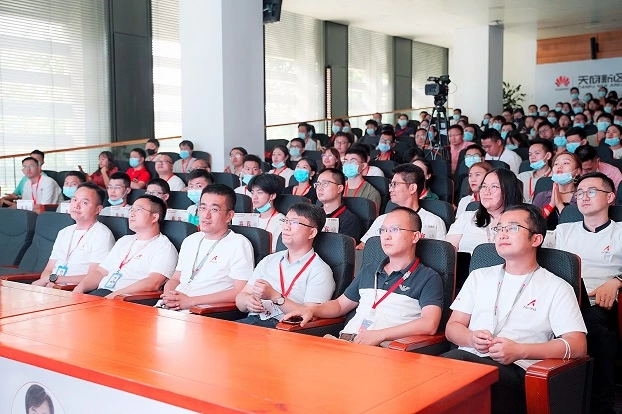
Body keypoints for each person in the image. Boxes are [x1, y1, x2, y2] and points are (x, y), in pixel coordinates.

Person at [443, 203, 587, 414]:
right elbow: (452, 327)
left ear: (536, 239)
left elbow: (577, 345)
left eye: (512, 228)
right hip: (467, 361)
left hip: (517, 373)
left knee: (452, 368)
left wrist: (520, 350)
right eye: (499, 228)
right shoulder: (478, 276)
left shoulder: (556, 286)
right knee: (447, 368)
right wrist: (471, 338)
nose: (502, 234)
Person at [284, 206, 443, 346]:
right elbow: (339, 305)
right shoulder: (369, 270)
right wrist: (311, 310)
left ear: (415, 236)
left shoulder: (428, 277)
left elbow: (429, 324)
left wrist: (381, 335)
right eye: (383, 230)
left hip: (383, 349)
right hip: (345, 342)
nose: (386, 236)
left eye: (394, 230)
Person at [554, 172, 620, 413]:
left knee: (591, 322)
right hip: (565, 298)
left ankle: (601, 406)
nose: (583, 197)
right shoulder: (563, 231)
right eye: (579, 192)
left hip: (602, 303)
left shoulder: (620, 231)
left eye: (591, 191)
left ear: (610, 197)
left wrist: (617, 281)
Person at [235, 203, 334, 328]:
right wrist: (247, 302)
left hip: (283, 328)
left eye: (294, 223)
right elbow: (240, 298)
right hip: (252, 321)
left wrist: (275, 297)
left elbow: (309, 316)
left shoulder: (320, 270)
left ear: (311, 233)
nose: (286, 227)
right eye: (285, 221)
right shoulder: (269, 260)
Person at [158, 184, 254, 311]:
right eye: (202, 208)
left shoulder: (239, 244)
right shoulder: (190, 240)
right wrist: (169, 296)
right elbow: (175, 279)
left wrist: (191, 302)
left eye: (214, 209)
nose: (205, 215)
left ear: (229, 215)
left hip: (202, 311)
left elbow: (239, 291)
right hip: (172, 306)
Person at [74, 195, 178, 298]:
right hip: (102, 294)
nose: (132, 214)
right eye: (131, 209)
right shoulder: (124, 240)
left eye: (138, 210)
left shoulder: (164, 247)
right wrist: (79, 289)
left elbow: (153, 283)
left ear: (154, 217)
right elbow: (100, 272)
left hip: (127, 300)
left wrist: (113, 296)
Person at [31, 182, 114, 288]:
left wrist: (55, 280)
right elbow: (48, 269)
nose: (76, 206)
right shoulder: (64, 232)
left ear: (98, 209)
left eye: (84, 202)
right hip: (51, 287)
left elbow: (94, 278)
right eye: (74, 200)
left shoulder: (102, 235)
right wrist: (49, 283)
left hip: (73, 290)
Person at [359, 164, 447, 248]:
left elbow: (442, 255)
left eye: (395, 184)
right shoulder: (381, 220)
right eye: (390, 185)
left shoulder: (434, 222)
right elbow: (363, 247)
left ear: (412, 188)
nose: (390, 189)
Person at [447, 168, 523, 254]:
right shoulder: (466, 217)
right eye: (484, 186)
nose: (486, 192)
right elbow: (447, 254)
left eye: (494, 187)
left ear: (508, 191)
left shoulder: (522, 222)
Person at [532, 152, 581, 230]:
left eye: (566, 163)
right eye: (556, 164)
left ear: (577, 171)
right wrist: (551, 205)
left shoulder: (582, 197)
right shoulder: (541, 197)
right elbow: (532, 225)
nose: (560, 166)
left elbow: (578, 228)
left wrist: (559, 205)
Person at [315, 168, 363, 242]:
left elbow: (343, 247)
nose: (319, 188)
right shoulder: (312, 215)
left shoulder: (349, 221)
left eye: (325, 183)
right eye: (318, 184)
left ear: (339, 188)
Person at [248, 174, 285, 252]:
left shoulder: (281, 222)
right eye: (252, 193)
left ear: (272, 196)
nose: (254, 197)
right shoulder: (249, 218)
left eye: (259, 192)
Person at [342, 146, 381, 211]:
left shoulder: (371, 193)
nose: (348, 164)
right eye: (346, 161)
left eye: (353, 161)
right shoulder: (337, 188)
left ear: (363, 166)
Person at [517, 139, 554, 203]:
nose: (532, 157)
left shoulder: (555, 178)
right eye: (530, 154)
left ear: (548, 155)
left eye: (537, 153)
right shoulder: (522, 177)